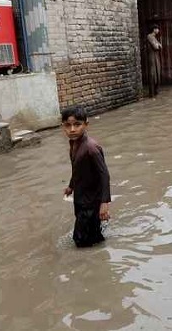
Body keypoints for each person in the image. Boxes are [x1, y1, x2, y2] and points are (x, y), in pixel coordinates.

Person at [61, 106, 112, 248]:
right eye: (68, 125)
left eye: (77, 124)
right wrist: (71, 186)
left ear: (86, 124)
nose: (72, 129)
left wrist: (104, 203)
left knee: (80, 240)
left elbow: (105, 175)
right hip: (81, 197)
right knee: (89, 233)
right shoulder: (74, 143)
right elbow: (76, 168)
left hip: (91, 201)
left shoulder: (91, 148)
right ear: (63, 126)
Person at [146, 25, 162, 97]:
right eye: (157, 29)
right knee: (152, 73)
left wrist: (158, 45)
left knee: (157, 72)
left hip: (156, 56)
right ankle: (151, 93)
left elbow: (160, 46)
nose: (158, 30)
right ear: (154, 29)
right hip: (152, 56)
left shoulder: (154, 38)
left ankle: (156, 91)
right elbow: (156, 46)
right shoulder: (149, 36)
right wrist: (158, 45)